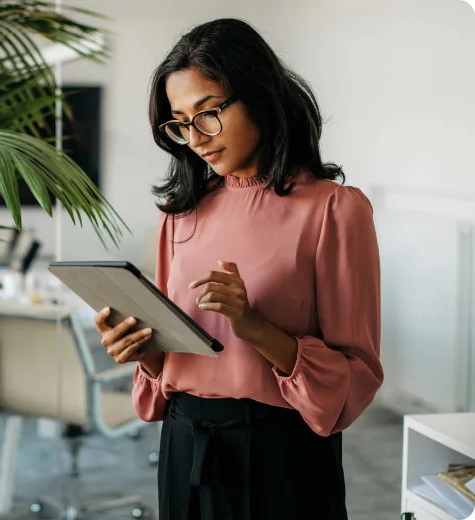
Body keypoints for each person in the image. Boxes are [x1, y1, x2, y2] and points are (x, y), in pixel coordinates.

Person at [93, 18, 383, 520]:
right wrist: (143, 352)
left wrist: (253, 326)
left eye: (208, 113)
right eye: (180, 123)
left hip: (280, 454)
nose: (195, 137)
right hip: (184, 441)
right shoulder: (179, 214)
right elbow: (173, 366)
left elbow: (356, 377)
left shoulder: (334, 210)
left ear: (259, 96)